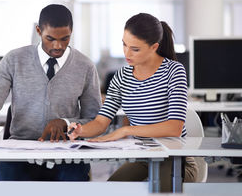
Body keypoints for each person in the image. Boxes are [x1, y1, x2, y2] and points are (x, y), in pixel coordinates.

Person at [0, 4, 101, 181]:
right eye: (50, 38)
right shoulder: (14, 60)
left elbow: (94, 119)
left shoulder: (85, 66)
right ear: (39, 31)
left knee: (74, 183)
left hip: (67, 153)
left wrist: (66, 123)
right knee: (8, 181)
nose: (58, 46)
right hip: (19, 152)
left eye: (65, 39)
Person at [68, 13, 197, 191]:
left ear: (154, 47)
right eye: (124, 44)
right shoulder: (122, 77)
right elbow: (101, 122)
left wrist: (126, 129)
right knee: (111, 190)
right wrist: (82, 130)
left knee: (158, 190)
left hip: (175, 159)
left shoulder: (174, 71)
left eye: (135, 49)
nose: (126, 53)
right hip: (144, 158)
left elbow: (174, 127)